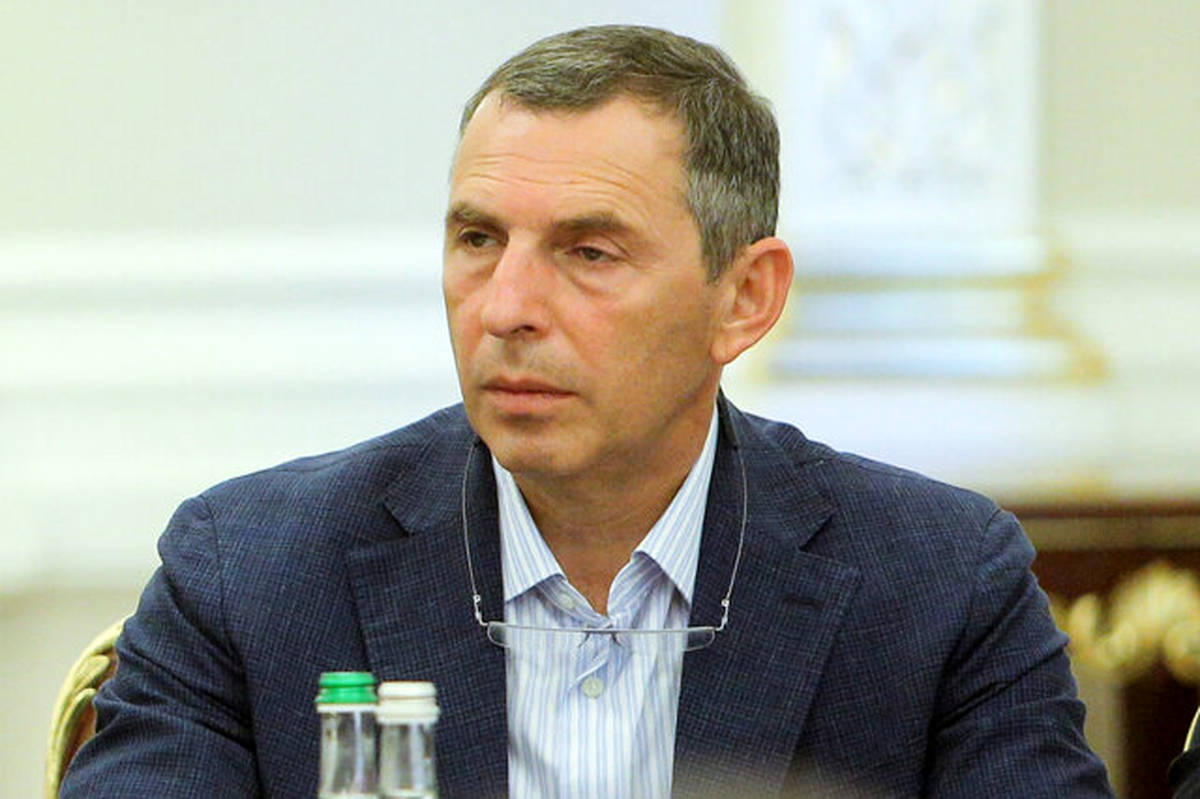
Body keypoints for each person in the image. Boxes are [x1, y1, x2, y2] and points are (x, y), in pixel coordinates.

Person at [61, 24, 1113, 798]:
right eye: (477, 240)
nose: (506, 308)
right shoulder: (250, 575)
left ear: (745, 298)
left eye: (590, 251)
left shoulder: (938, 586)